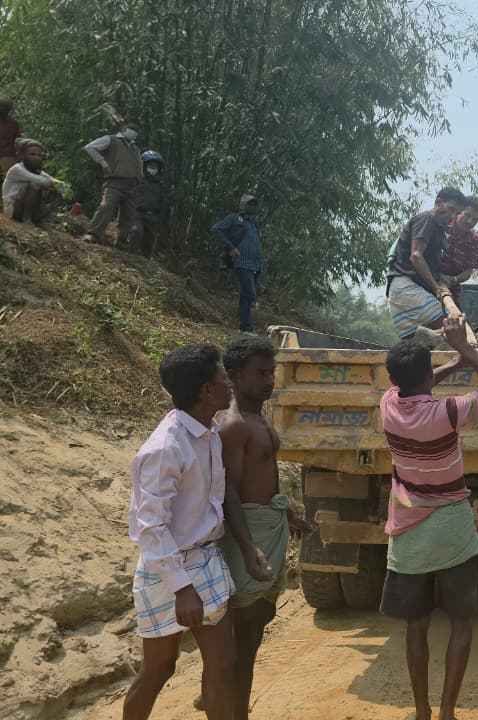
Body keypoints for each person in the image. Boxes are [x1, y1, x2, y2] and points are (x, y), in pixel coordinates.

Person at [379, 316, 478, 720]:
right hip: (452, 530)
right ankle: (448, 713)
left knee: (416, 628)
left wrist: (449, 365)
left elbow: (415, 384)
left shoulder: (387, 405)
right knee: (461, 624)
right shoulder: (449, 412)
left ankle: (422, 711)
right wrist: (467, 352)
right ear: (426, 375)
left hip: (408, 532)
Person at [123, 345, 237, 720]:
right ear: (206, 390)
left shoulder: (207, 432)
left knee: (222, 665)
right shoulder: (166, 446)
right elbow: (150, 526)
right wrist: (182, 588)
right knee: (159, 669)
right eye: (223, 377)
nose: (228, 383)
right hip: (169, 569)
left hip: (205, 558)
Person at [217, 336, 314, 719]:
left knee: (259, 620)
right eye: (260, 373)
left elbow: (264, 480)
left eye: (271, 372)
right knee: (245, 632)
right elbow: (229, 493)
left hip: (267, 526)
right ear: (235, 376)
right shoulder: (234, 425)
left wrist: (288, 514)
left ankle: (224, 697)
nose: (269, 380)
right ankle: (231, 705)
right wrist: (246, 548)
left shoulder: (259, 417)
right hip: (250, 534)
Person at [386, 187, 468, 340]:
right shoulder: (427, 219)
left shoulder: (439, 230)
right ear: (438, 203)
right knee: (453, 332)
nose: (452, 216)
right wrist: (437, 289)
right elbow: (416, 256)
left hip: (405, 292)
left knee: (421, 347)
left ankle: (427, 336)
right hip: (406, 289)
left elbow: (430, 263)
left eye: (456, 213)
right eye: (451, 209)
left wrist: (442, 279)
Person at [211, 195, 266, 333]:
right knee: (250, 293)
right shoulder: (234, 218)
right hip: (241, 261)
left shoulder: (254, 223)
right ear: (243, 205)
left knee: (245, 296)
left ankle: (244, 327)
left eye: (254, 204)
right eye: (249, 204)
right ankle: (248, 325)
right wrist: (231, 247)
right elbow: (216, 229)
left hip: (255, 264)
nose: (252, 207)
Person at [83, 125, 143, 245]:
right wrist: (103, 163)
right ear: (124, 130)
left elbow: (139, 168)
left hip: (132, 185)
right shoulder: (111, 139)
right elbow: (90, 147)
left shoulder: (135, 148)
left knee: (129, 214)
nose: (135, 133)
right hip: (114, 181)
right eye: (133, 130)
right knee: (106, 206)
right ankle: (93, 233)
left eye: (137, 131)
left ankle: (121, 240)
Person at [438, 195, 478, 299]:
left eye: (475, 219)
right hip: (426, 282)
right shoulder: (441, 225)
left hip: (451, 289)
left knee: (456, 314)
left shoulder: (474, 241)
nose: (470, 221)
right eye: (467, 215)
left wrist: (453, 280)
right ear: (459, 211)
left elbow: (468, 272)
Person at [2, 139, 57, 225]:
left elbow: (53, 181)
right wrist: (53, 183)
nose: (36, 157)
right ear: (23, 156)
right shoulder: (17, 169)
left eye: (39, 155)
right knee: (36, 185)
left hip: (28, 208)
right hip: (13, 209)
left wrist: (59, 186)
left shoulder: (36, 170)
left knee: (56, 191)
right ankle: (26, 219)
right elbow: (42, 181)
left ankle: (40, 218)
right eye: (32, 154)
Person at [138, 150, 170, 257]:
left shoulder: (161, 185)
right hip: (136, 214)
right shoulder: (137, 180)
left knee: (149, 243)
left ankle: (144, 261)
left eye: (155, 167)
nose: (153, 169)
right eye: (150, 166)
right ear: (144, 166)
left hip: (153, 217)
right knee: (136, 232)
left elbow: (163, 203)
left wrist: (161, 217)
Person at [0, 98, 22, 174]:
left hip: (9, 157)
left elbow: (18, 141)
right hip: (8, 157)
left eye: (5, 108)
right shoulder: (13, 123)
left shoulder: (13, 124)